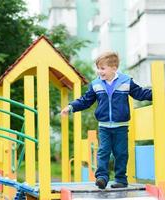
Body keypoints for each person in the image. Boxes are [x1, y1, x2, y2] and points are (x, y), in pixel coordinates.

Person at [60, 51, 152, 189]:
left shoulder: (126, 81)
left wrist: (155, 94)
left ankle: (121, 179)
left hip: (121, 126)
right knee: (103, 151)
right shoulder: (96, 84)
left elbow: (140, 93)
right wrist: (71, 107)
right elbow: (85, 101)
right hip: (104, 126)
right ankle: (102, 177)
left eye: (102, 68)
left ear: (114, 68)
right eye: (98, 68)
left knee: (121, 153)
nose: (99, 71)